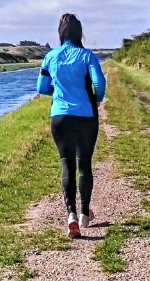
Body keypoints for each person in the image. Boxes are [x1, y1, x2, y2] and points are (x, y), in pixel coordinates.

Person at [36, 13, 106, 238]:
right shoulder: (87, 56)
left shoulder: (50, 57)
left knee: (67, 165)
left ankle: (71, 215)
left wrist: (58, 92)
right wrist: (97, 98)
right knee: (84, 164)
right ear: (79, 32)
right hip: (86, 116)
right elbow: (99, 83)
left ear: (60, 32)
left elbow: (41, 87)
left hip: (60, 117)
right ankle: (85, 214)